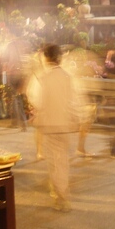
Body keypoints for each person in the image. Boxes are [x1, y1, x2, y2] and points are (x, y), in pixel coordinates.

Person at [32, 44, 79, 212]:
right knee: (63, 161)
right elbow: (72, 100)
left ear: (46, 58)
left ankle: (60, 195)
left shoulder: (45, 78)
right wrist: (75, 118)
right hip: (64, 123)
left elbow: (39, 102)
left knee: (54, 162)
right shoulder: (66, 77)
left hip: (50, 124)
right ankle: (62, 193)